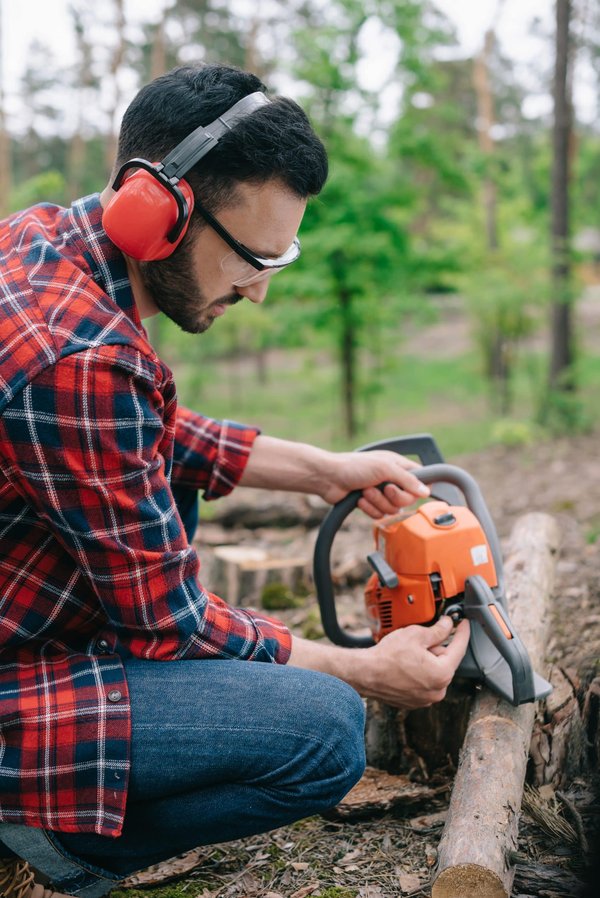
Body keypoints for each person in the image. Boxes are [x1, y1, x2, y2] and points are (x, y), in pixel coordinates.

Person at [0, 63, 470, 898]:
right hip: (13, 684)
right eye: (251, 257)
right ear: (158, 210)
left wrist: (326, 471)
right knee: (324, 731)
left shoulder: (44, 242)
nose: (256, 290)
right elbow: (171, 624)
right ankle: (50, 835)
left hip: (25, 612)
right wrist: (365, 670)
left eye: (276, 260)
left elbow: (150, 435)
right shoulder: (80, 360)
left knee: (173, 494)